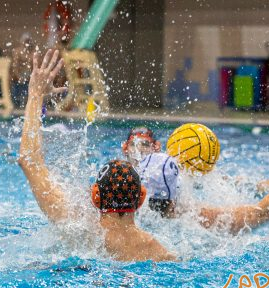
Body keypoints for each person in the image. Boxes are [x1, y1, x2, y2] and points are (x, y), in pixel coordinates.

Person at [18, 49, 176, 262]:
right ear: (141, 198)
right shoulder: (161, 253)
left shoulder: (79, 230)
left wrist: (35, 95)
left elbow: (29, 161)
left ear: (95, 196)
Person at [11, 33, 34, 108]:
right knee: (13, 77)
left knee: (31, 80)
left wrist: (31, 76)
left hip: (27, 74)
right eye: (25, 41)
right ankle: (16, 101)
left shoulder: (32, 53)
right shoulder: (17, 51)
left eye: (28, 41)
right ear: (21, 42)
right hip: (18, 74)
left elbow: (33, 68)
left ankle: (26, 101)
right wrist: (18, 76)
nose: (26, 43)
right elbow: (15, 66)